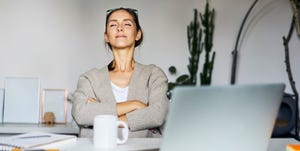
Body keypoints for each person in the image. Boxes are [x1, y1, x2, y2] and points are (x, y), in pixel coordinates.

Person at [71, 7, 169, 138]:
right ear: (106, 36)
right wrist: (135, 105)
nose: (120, 28)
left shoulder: (154, 75)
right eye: (113, 24)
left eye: (127, 24)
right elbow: (81, 114)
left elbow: (157, 115)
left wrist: (101, 112)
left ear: (138, 34)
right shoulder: (89, 78)